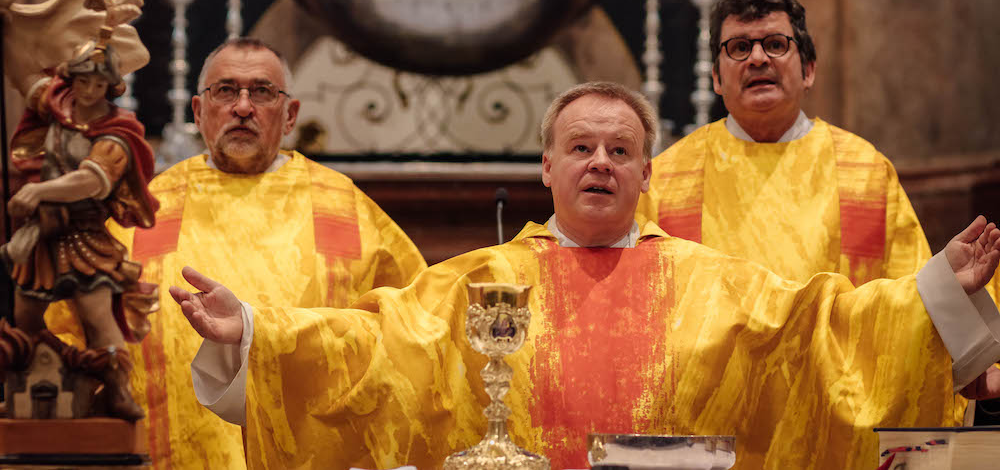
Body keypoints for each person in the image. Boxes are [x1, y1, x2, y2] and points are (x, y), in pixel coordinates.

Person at [173, 82, 1000, 470]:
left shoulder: (720, 285)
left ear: (648, 174)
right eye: (580, 147)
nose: (599, 162)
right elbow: (369, 345)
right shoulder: (480, 283)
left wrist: (935, 293)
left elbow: (827, 330)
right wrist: (253, 331)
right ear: (547, 166)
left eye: (619, 149)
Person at [54, 38, 427, 468]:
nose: (244, 107)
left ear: (290, 115)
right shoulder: (148, 209)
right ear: (198, 111)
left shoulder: (341, 206)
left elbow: (410, 325)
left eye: (263, 92)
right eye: (226, 91)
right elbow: (74, 328)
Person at [638, 0, 929, 286]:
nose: (758, 58)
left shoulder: (867, 174)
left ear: (808, 70)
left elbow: (911, 297)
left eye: (776, 44)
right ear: (716, 78)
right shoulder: (669, 179)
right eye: (739, 47)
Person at [3, 10, 159, 421]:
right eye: (82, 80)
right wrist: (5, 25)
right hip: (42, 236)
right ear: (72, 80)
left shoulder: (118, 133)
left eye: (98, 82)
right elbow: (22, 77)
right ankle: (24, 387)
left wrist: (38, 190)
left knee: (97, 318)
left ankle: (117, 390)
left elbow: (91, 181)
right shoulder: (58, 107)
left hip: (84, 237)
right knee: (25, 319)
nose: (89, 90)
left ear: (111, 85)